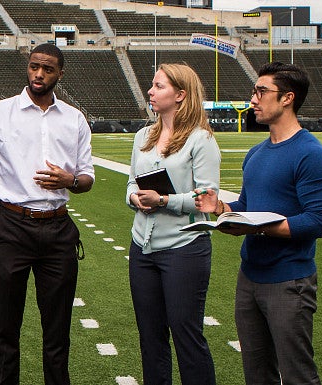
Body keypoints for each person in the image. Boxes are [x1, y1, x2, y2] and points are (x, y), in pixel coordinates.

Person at [0, 43, 95, 385]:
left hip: (57, 230)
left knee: (57, 331)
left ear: (60, 74)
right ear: (28, 66)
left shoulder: (75, 119)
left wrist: (71, 180)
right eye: (34, 66)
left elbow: (87, 177)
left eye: (48, 69)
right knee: (6, 327)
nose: (39, 74)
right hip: (11, 228)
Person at [193, 62, 322, 385]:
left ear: (287, 98)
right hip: (250, 278)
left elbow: (318, 221)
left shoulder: (311, 154)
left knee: (298, 375)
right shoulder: (256, 153)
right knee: (257, 375)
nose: (253, 99)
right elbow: (249, 207)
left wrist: (255, 228)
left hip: (289, 282)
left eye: (261, 91)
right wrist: (222, 208)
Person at [125, 63, 220, 385]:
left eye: (158, 86)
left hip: (184, 249)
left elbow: (207, 198)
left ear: (181, 95)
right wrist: (135, 199)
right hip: (142, 247)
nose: (150, 91)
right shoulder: (142, 136)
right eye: (152, 85)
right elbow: (130, 185)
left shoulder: (201, 140)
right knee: (150, 338)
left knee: (186, 335)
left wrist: (166, 201)